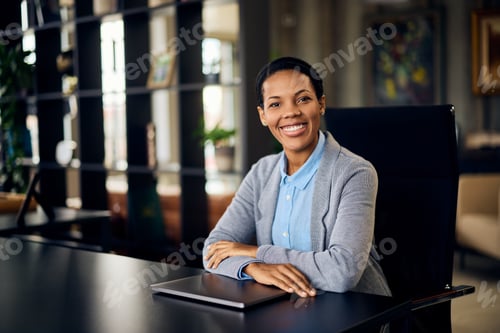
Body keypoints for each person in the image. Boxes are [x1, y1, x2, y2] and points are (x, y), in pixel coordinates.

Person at [202, 56, 391, 298]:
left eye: (303, 99)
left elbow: (343, 271)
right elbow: (212, 250)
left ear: (321, 104)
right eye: (275, 104)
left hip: (354, 311)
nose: (291, 112)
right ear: (262, 115)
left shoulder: (356, 173)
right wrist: (252, 267)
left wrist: (257, 252)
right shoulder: (262, 172)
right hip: (282, 309)